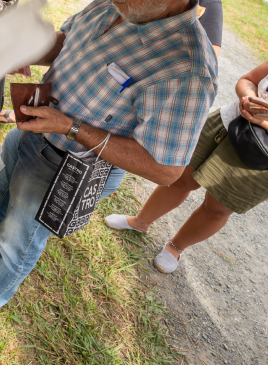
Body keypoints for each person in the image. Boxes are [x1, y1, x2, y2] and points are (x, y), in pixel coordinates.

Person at [0, 0, 218, 315]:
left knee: (21, 239)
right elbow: (67, 42)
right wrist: (23, 49)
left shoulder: (186, 69)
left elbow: (166, 170)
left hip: (68, 162)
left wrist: (70, 127)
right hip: (34, 127)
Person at [104, 60, 267, 273]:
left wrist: (263, 122)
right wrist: (249, 99)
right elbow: (248, 80)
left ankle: (175, 247)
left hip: (261, 157)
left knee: (217, 208)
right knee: (180, 178)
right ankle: (140, 221)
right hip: (227, 123)